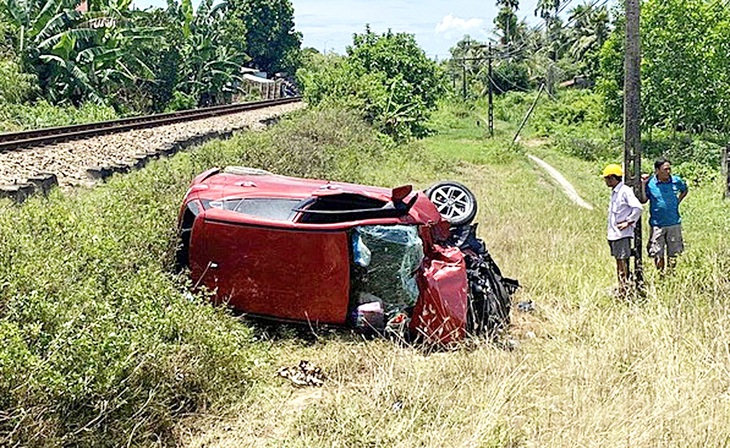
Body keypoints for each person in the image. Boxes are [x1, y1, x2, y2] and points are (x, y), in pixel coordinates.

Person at [639, 158, 688, 273]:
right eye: (665, 169)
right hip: (657, 224)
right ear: (657, 170)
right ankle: (660, 275)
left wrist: (677, 201)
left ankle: (671, 274)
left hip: (673, 223)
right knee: (657, 252)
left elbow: (685, 190)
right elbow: (644, 200)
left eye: (669, 169)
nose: (668, 172)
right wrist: (642, 185)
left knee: (673, 253)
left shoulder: (676, 181)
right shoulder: (651, 183)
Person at [603, 164, 643, 297]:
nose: (606, 181)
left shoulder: (625, 191)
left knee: (622, 264)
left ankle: (624, 290)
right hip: (614, 234)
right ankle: (622, 288)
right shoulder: (615, 192)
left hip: (621, 235)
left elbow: (638, 208)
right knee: (619, 262)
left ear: (612, 178)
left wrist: (629, 222)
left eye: (607, 179)